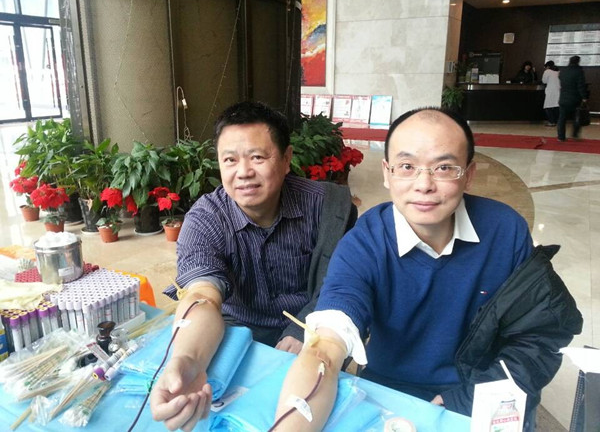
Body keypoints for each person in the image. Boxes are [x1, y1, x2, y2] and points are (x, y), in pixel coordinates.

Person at [272, 107, 583, 432]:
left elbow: (538, 336)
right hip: (391, 394)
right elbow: (327, 342)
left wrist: (466, 400)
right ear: (387, 173)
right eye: (407, 167)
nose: (424, 184)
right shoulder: (365, 242)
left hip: (481, 388)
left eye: (444, 167)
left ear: (469, 174)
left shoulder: (505, 231)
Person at [150, 101, 356, 430]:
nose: (243, 172)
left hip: (314, 335)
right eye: (230, 160)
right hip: (236, 336)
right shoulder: (206, 219)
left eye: (257, 157)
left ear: (286, 159)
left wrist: (304, 330)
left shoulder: (327, 207)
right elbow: (202, 296)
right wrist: (186, 359)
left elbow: (343, 285)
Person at [557, 55, 588, 141]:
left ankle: (561, 137)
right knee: (577, 117)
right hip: (575, 98)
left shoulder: (563, 70)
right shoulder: (579, 71)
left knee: (562, 118)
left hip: (563, 97)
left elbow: (561, 80)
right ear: (578, 62)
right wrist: (584, 97)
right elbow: (581, 86)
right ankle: (575, 135)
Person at [542, 60, 560, 126]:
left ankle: (551, 122)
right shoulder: (558, 72)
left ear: (547, 66)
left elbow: (544, 81)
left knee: (548, 106)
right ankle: (556, 121)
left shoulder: (547, 71)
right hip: (558, 91)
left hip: (551, 91)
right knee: (556, 107)